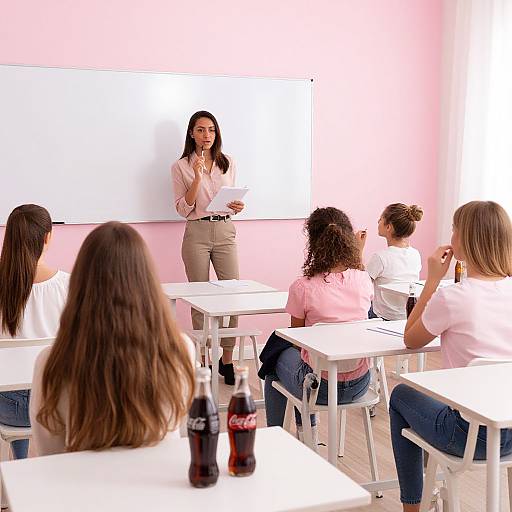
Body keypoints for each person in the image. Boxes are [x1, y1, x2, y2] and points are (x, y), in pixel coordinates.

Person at [30, 222, 195, 455]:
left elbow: (49, 454)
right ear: (146, 280)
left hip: (83, 489)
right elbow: (182, 432)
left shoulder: (51, 361)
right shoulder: (181, 349)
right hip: (159, 487)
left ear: (81, 282)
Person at [390, 201, 512, 511]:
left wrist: (431, 280)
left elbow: (411, 340)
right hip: (510, 431)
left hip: (469, 437)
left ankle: (412, 507)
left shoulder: (454, 296)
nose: (452, 235)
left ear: (466, 240)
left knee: (401, 394)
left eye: (455, 229)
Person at [264, 207, 372, 442]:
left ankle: (283, 436)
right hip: (360, 384)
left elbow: (296, 339)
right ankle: (307, 433)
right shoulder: (364, 279)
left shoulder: (303, 287)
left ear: (313, 241)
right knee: (298, 362)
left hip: (320, 388)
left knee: (275, 362)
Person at [171, 111, 244, 385]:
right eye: (201, 130)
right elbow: (182, 208)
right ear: (192, 133)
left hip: (225, 230)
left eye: (211, 130)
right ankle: (203, 361)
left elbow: (230, 200)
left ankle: (227, 361)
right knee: (200, 299)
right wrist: (198, 178)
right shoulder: (180, 166)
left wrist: (237, 206)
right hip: (197, 232)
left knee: (233, 295)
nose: (207, 135)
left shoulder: (229, 162)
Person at [0, 204, 69, 459]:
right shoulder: (69, 285)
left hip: (7, 408)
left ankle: (20, 461)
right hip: (56, 405)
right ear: (47, 237)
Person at [366, 203, 423, 320]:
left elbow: (362, 284)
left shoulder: (380, 257)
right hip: (407, 315)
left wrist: (358, 249)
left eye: (381, 219)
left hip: (383, 316)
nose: (378, 221)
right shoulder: (415, 254)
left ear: (388, 227)